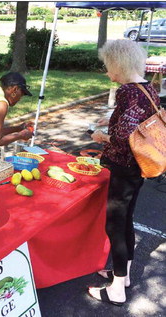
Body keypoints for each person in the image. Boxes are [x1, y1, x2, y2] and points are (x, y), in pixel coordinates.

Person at [88, 39, 160, 305]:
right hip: (139, 166)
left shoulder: (127, 91)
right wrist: (113, 118)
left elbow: (122, 137)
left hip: (124, 166)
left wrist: (100, 136)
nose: (108, 72)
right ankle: (124, 275)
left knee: (115, 224)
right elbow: (139, 120)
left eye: (108, 67)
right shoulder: (148, 88)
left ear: (117, 64)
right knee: (126, 219)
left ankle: (116, 290)